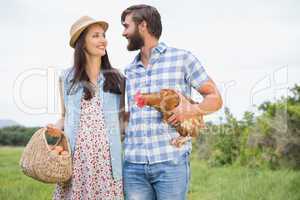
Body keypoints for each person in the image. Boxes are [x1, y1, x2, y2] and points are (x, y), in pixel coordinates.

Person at [121, 5, 223, 200]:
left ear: (142, 25)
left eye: (127, 26)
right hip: (133, 166)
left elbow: (215, 99)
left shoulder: (182, 59)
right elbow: (130, 117)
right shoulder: (129, 70)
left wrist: (191, 110)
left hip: (170, 162)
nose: (124, 33)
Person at [47, 15, 125, 200]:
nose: (103, 40)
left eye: (103, 35)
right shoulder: (66, 78)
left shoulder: (117, 78)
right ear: (82, 43)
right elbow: (64, 116)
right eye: (96, 35)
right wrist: (54, 128)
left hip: (107, 160)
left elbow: (123, 120)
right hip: (77, 160)